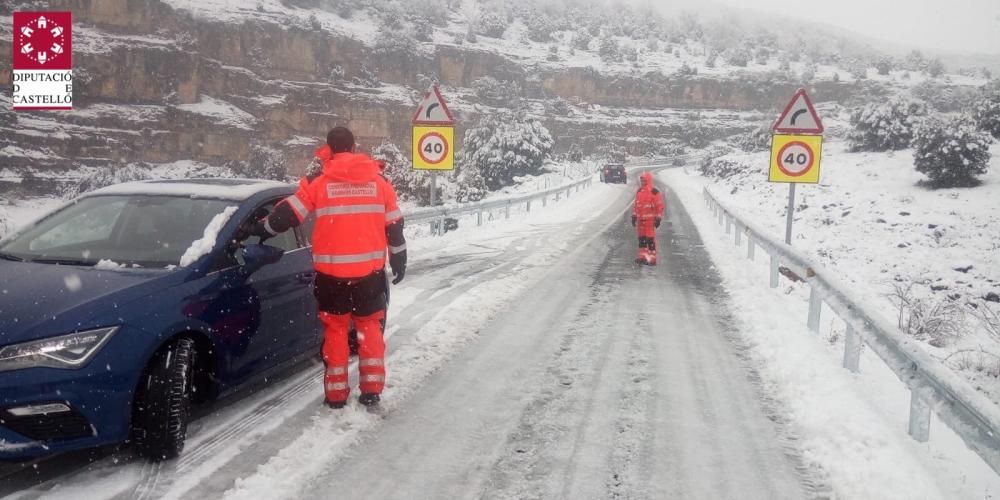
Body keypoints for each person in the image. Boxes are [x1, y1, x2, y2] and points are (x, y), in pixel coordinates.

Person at [243, 127, 407, 409]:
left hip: (332, 277)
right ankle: (371, 390)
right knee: (369, 330)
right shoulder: (379, 181)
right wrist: (399, 259)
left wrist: (259, 228)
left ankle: (336, 394)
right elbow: (395, 227)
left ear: (329, 149)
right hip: (369, 275)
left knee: (336, 331)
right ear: (354, 147)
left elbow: (287, 215)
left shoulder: (318, 182)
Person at [631, 171, 665, 265]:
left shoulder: (654, 192)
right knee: (641, 240)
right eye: (641, 180)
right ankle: (643, 257)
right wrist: (634, 216)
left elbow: (659, 206)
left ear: (648, 180)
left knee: (650, 240)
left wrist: (658, 218)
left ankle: (652, 259)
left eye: (644, 180)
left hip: (650, 221)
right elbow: (636, 206)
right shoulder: (639, 191)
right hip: (640, 221)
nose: (642, 182)